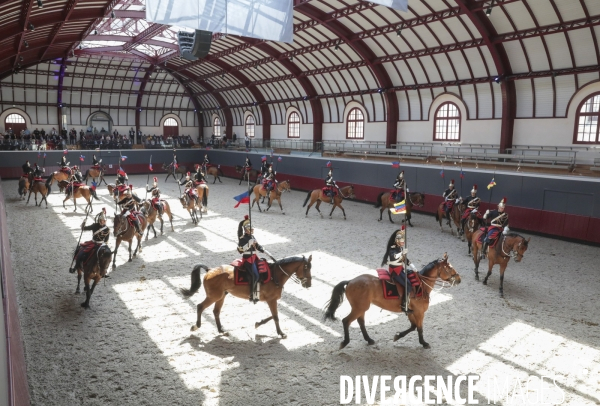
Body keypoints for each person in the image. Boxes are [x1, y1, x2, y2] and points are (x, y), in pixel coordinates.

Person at [382, 226, 417, 314]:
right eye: (402, 241)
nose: (403, 243)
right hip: (395, 271)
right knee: (408, 285)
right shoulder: (392, 248)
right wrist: (402, 253)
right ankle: (404, 305)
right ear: (397, 241)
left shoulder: (399, 248)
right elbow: (394, 257)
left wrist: (412, 266)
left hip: (400, 268)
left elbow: (404, 258)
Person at [70, 208, 110, 274]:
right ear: (99, 220)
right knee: (81, 253)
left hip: (101, 245)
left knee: (107, 257)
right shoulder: (94, 225)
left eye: (104, 221)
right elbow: (84, 228)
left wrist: (105, 247)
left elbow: (106, 240)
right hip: (93, 243)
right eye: (102, 220)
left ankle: (104, 271)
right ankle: (76, 267)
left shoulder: (107, 229)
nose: (103, 222)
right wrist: (84, 223)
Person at [237, 218, 265, 303]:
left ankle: (257, 294)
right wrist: (249, 243)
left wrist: (262, 249)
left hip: (255, 257)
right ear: (246, 230)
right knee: (255, 276)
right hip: (248, 260)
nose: (252, 230)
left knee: (262, 272)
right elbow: (241, 250)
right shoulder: (243, 238)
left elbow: (257, 245)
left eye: (252, 229)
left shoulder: (252, 237)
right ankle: (252, 294)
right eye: (250, 229)